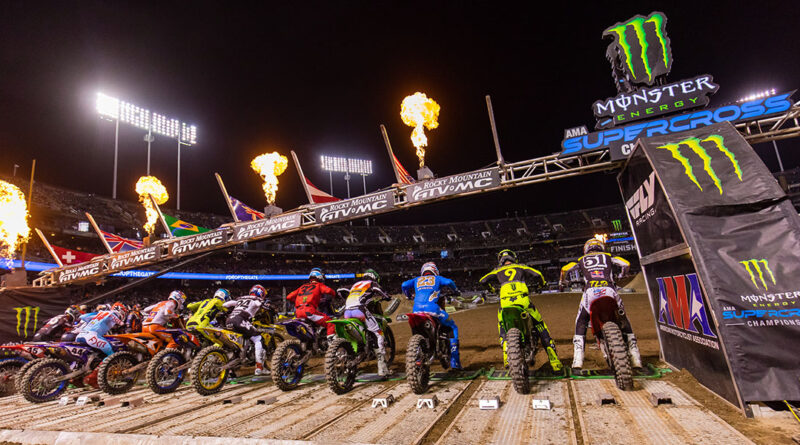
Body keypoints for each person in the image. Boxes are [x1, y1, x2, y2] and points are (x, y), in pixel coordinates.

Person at [559, 238, 640, 371]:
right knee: (623, 317)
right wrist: (622, 275)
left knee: (581, 320)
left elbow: (564, 269)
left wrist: (563, 282)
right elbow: (626, 264)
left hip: (590, 291)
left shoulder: (581, 259)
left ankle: (578, 359)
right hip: (609, 290)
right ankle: (635, 356)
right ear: (601, 247)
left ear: (586, 249)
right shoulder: (608, 256)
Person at [479, 249, 563, 372]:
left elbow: (483, 281)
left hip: (505, 303)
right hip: (523, 301)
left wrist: (491, 289)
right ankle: (554, 361)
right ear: (514, 258)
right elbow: (537, 275)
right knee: (540, 325)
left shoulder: (497, 270)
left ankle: (506, 357)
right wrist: (541, 284)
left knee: (502, 326)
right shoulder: (520, 266)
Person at [401, 262, 462, 369]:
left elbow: (404, 285)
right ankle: (455, 362)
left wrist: (408, 295)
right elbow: (449, 281)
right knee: (453, 326)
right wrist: (456, 291)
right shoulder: (437, 278)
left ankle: (420, 353)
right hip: (433, 310)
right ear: (435, 270)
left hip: (417, 312)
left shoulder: (417, 280)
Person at [343, 269, 392, 376]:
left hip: (347, 311)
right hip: (359, 310)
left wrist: (345, 297)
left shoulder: (355, 284)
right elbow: (381, 292)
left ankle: (356, 353)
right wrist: (387, 297)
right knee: (378, 334)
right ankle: (382, 368)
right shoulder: (371, 283)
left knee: (358, 334)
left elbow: (340, 289)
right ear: (374, 277)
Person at [224, 285, 270, 376]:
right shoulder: (257, 299)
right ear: (261, 293)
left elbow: (226, 304)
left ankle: (230, 368)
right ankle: (259, 368)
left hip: (229, 320)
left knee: (236, 345)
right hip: (240, 320)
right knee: (258, 338)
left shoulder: (240, 298)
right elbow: (258, 304)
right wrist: (265, 305)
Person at [287, 268, 337, 340]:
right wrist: (334, 294)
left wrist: (299, 300)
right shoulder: (319, 285)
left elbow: (288, 297)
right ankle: (331, 342)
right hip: (309, 311)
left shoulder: (302, 286)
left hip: (298, 312)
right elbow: (329, 291)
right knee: (330, 322)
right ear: (320, 277)